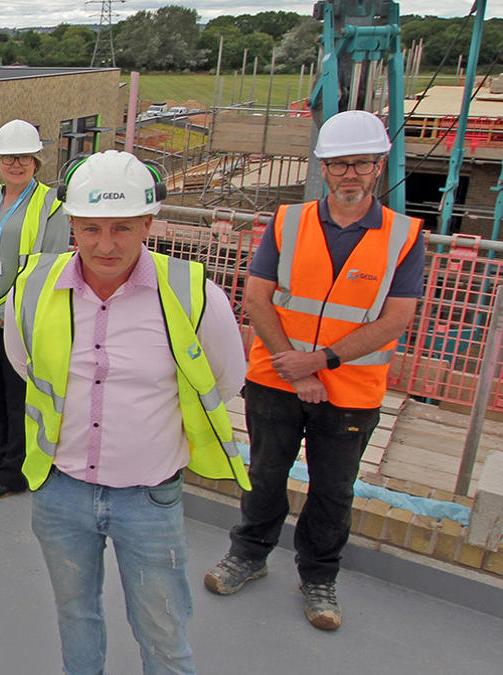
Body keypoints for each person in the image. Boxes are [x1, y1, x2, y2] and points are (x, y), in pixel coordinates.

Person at [4, 151, 249, 675]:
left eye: (121, 228)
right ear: (72, 223)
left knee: (162, 632)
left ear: (147, 223)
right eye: (90, 229)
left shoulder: (193, 294)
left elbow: (224, 381)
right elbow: (26, 364)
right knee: (76, 616)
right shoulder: (34, 289)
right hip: (61, 489)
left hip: (148, 499)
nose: (106, 244)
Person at [205, 110, 425, 631]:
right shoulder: (288, 222)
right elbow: (257, 299)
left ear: (379, 167)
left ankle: (319, 577)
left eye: (363, 164)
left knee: (333, 489)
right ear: (323, 167)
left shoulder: (403, 236)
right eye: (340, 164)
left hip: (350, 389)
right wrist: (294, 367)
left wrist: (320, 362)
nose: (351, 174)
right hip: (275, 380)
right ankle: (249, 555)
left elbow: (398, 316)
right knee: (264, 474)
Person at [0, 119, 71, 499]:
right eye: (7, 158)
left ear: (36, 162)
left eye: (23, 158)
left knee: (17, 395)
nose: (15, 164)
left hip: (19, 320)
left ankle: (16, 468)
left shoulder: (52, 206)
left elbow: (47, 266)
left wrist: (3, 311)